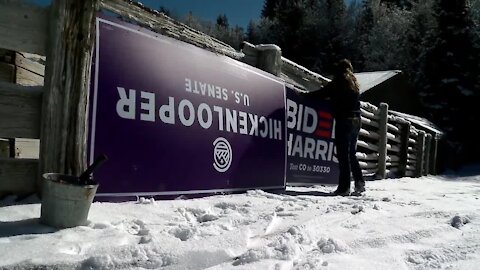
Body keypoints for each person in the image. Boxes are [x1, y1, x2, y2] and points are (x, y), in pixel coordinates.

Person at [307, 59, 365, 195]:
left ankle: (344, 188)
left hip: (344, 120)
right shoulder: (354, 83)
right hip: (356, 120)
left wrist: (305, 96)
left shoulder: (340, 81)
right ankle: (359, 182)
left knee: (343, 154)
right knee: (351, 153)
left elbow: (322, 93)